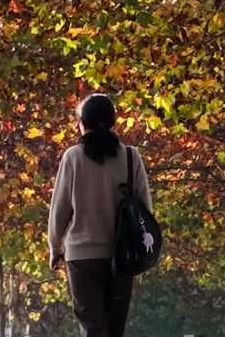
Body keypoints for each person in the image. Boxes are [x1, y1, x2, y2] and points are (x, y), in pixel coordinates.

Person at [48, 93, 153, 337]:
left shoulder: (73, 157)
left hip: (82, 257)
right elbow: (145, 208)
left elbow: (60, 209)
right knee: (115, 330)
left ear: (82, 123)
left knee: (93, 328)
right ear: (113, 121)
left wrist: (55, 246)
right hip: (122, 256)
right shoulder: (130, 156)